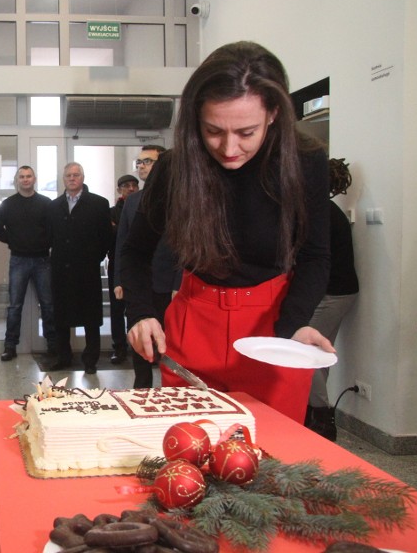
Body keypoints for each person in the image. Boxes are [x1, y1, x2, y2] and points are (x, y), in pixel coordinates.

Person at [121, 41, 334, 424]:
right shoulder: (176, 167)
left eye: (246, 132)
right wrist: (140, 313)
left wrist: (295, 324)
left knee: (273, 460)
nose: (229, 148)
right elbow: (135, 251)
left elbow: (315, 256)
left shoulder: (305, 162)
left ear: (272, 114)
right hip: (193, 326)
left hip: (274, 332)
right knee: (188, 456)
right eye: (213, 131)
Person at [113, 145, 177, 388]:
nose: (141, 166)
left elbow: (187, 247)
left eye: (148, 161)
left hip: (168, 282)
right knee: (140, 337)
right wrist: (120, 279)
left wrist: (179, 282)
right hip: (139, 284)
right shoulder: (133, 201)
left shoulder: (180, 199)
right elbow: (124, 244)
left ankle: (171, 390)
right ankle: (142, 388)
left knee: (169, 342)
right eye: (139, 162)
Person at [305, 158, 359, 441]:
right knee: (317, 355)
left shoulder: (321, 213)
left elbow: (316, 262)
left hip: (333, 293)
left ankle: (322, 418)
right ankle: (314, 413)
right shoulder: (325, 210)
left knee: (307, 354)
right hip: (337, 291)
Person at [48, 162, 111, 374]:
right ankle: (63, 357)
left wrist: (95, 257)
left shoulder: (99, 204)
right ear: (63, 179)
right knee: (61, 317)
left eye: (76, 175)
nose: (72, 178)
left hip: (87, 270)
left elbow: (106, 238)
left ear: (82, 178)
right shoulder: (54, 206)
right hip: (61, 271)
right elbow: (50, 237)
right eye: (68, 175)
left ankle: (90, 360)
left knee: (90, 318)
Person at [0, 165, 56, 361]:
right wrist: (12, 240)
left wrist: (46, 242)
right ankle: (10, 346)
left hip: (43, 259)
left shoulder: (46, 203)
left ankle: (52, 345)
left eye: (29, 176)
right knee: (15, 305)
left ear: (34, 179)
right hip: (18, 259)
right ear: (17, 180)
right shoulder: (7, 204)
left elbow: (55, 229)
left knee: (48, 305)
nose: (25, 180)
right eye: (22, 177)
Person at [107, 173, 140, 364]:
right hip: (117, 264)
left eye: (134, 185)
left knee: (136, 307)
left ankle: (139, 346)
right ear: (119, 190)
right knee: (117, 309)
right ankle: (119, 348)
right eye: (126, 185)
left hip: (138, 265)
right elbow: (113, 237)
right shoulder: (111, 212)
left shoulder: (143, 207)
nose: (131, 188)